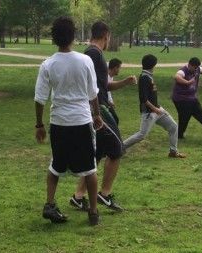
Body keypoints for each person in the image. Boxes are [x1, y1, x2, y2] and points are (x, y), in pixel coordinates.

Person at [34, 16, 103, 226]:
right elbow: (93, 94)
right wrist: (97, 115)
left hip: (59, 122)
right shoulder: (85, 61)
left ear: (54, 38)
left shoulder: (48, 64)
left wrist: (39, 124)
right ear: (73, 36)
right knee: (90, 168)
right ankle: (93, 211)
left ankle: (49, 203)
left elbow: (40, 98)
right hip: (81, 121)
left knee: (56, 166)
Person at [70, 21, 136, 212]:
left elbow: (103, 86)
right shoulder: (93, 53)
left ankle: (78, 196)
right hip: (98, 110)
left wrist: (124, 82)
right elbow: (87, 86)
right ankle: (104, 194)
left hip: (97, 106)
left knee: (97, 154)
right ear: (106, 35)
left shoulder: (96, 54)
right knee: (116, 149)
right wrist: (94, 111)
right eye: (109, 37)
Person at [123, 54, 185, 158]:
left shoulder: (148, 76)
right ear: (153, 65)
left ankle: (173, 151)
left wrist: (158, 108)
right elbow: (144, 99)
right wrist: (155, 109)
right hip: (149, 112)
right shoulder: (144, 78)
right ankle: (120, 147)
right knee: (142, 135)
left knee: (173, 127)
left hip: (157, 110)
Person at [107, 58, 136, 125]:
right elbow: (102, 91)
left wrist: (111, 101)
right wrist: (108, 102)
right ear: (115, 68)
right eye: (119, 68)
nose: (120, 70)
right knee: (114, 120)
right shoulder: (105, 77)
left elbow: (108, 91)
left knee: (114, 120)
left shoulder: (110, 77)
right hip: (105, 104)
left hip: (108, 103)